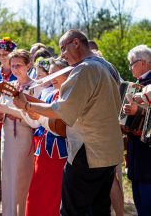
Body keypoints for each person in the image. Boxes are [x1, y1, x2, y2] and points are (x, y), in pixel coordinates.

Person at [14, 29, 123, 216]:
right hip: (109, 150)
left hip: (88, 151)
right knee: (99, 208)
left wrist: (26, 104)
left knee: (73, 210)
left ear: (76, 43)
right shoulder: (108, 66)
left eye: (63, 48)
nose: (62, 55)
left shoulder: (85, 68)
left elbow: (62, 111)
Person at [23, 57, 69, 216]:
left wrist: (38, 115)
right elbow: (34, 123)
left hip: (63, 154)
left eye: (55, 73)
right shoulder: (48, 95)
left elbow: (62, 128)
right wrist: (24, 107)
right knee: (37, 191)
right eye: (49, 74)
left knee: (56, 193)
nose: (51, 78)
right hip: (43, 153)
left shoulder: (71, 97)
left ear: (69, 73)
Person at [0, 49, 36, 216]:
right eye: (12, 66)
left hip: (25, 138)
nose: (15, 69)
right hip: (7, 138)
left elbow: (37, 119)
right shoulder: (9, 86)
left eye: (18, 65)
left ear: (28, 65)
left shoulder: (36, 87)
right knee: (7, 178)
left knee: (23, 178)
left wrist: (13, 112)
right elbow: (0, 110)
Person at [88, 40, 124, 216]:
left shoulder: (98, 69)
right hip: (109, 130)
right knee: (110, 178)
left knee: (110, 180)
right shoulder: (110, 68)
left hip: (101, 131)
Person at [123, 45, 151, 216]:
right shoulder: (135, 85)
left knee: (147, 201)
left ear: (143, 63)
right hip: (136, 150)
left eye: (132, 63)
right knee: (139, 199)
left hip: (148, 154)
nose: (130, 67)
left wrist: (137, 112)